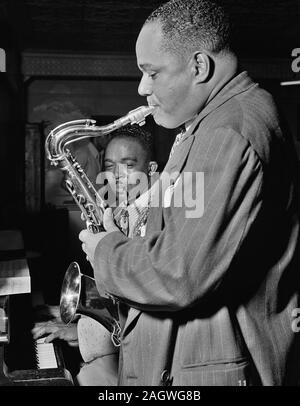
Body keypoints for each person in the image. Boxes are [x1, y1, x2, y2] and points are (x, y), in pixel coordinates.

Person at [79, 0, 300, 386]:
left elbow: (178, 274)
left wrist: (105, 251)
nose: (142, 87)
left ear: (199, 66)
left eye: (151, 72)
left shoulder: (228, 132)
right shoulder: (209, 124)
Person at [32, 124, 157, 385]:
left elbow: (142, 304)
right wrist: (78, 317)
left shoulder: (157, 217)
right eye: (110, 166)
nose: (117, 176)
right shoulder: (121, 209)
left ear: (151, 169)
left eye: (128, 164)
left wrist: (77, 330)